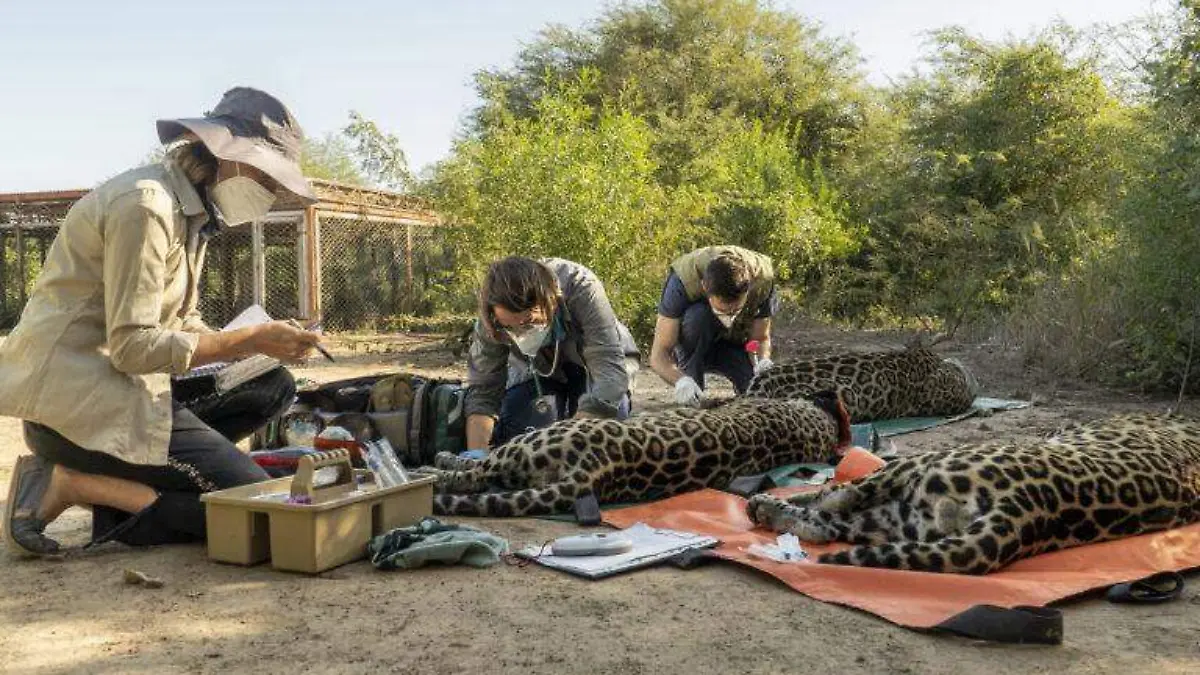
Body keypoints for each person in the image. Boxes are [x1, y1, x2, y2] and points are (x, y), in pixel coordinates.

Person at [1, 87, 325, 557]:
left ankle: (137, 478)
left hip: (127, 390)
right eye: (264, 174)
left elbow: (179, 322)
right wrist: (249, 337)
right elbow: (134, 347)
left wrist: (259, 344)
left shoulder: (191, 209)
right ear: (225, 156)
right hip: (79, 412)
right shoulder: (147, 206)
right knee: (262, 517)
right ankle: (76, 483)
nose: (270, 190)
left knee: (271, 382)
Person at [463, 256, 641, 455]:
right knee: (521, 435)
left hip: (598, 366)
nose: (518, 334)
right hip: (536, 371)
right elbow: (483, 390)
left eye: (528, 323)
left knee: (603, 436)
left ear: (551, 302)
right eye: (508, 326)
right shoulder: (491, 320)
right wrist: (476, 456)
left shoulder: (582, 286)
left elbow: (609, 374)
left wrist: (566, 442)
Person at [648, 245, 778, 407]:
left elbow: (760, 338)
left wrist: (763, 360)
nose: (729, 318)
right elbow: (659, 354)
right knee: (698, 317)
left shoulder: (763, 281)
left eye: (735, 311)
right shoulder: (682, 281)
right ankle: (693, 387)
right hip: (695, 339)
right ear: (704, 286)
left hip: (737, 344)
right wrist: (681, 381)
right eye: (722, 311)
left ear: (749, 288)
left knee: (757, 396)